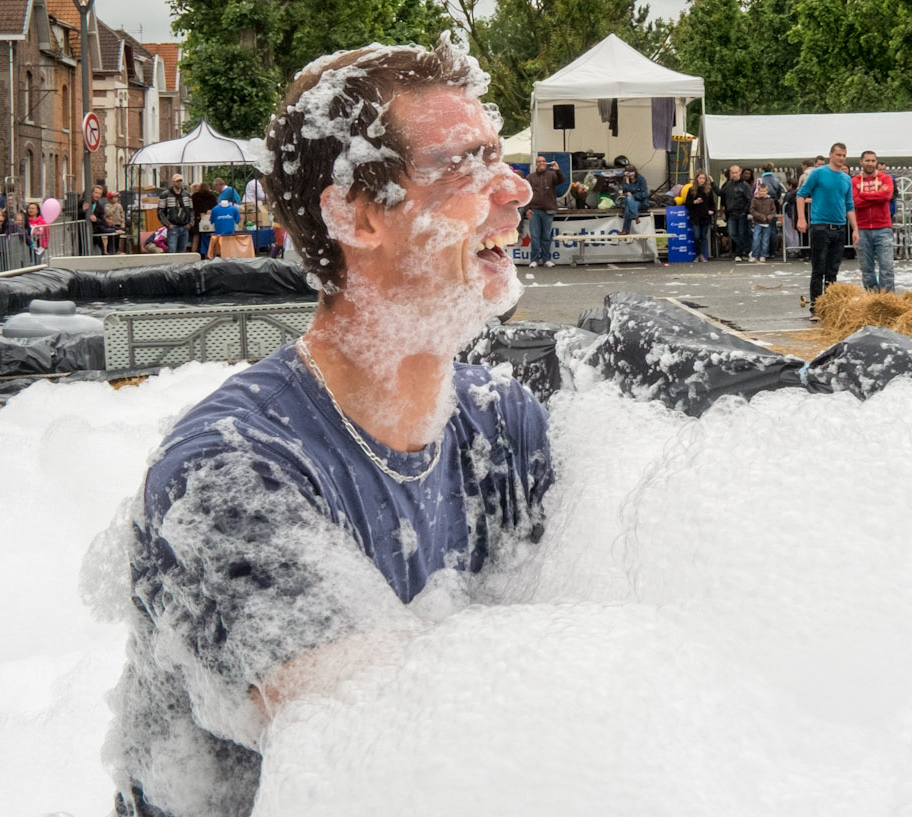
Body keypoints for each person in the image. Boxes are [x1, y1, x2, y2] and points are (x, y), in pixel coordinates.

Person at [108, 37, 552, 817]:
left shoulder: (502, 424)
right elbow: (386, 768)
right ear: (354, 213)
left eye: (501, 158)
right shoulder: (232, 473)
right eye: (465, 165)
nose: (515, 188)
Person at [794, 142, 856, 310]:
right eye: (838, 155)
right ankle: (816, 305)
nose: (841, 158)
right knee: (818, 268)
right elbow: (801, 194)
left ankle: (829, 305)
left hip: (840, 227)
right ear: (831, 155)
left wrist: (855, 228)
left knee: (833, 269)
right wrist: (801, 218)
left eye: (844, 155)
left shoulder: (846, 178)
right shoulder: (818, 173)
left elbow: (849, 205)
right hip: (820, 226)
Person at [852, 150, 896, 293]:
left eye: (872, 160)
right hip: (862, 228)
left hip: (883, 227)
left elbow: (886, 196)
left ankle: (887, 299)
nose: (870, 163)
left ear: (876, 162)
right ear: (861, 162)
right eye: (867, 160)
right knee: (866, 269)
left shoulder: (886, 178)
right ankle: (872, 300)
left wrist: (863, 195)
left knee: (887, 267)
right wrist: (875, 197)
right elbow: (854, 202)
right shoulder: (854, 181)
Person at [524, 156, 562, 267]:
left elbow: (561, 180)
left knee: (546, 236)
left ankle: (546, 259)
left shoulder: (552, 175)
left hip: (548, 210)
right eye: (539, 161)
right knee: (535, 236)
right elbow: (526, 195)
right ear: (536, 164)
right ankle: (534, 260)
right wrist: (527, 209)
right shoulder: (530, 177)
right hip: (534, 210)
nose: (541, 163)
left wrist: (558, 170)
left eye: (543, 161)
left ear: (546, 163)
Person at [677, 171, 716, 262]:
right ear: (697, 179)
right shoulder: (691, 190)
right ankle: (697, 254)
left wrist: (712, 211)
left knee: (703, 236)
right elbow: (687, 203)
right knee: (697, 236)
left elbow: (712, 203)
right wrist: (695, 202)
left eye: (703, 178)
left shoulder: (708, 190)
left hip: (705, 216)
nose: (702, 180)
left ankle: (702, 254)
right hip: (695, 216)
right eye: (700, 178)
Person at [721, 165, 753, 260]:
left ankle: (739, 253)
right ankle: (747, 250)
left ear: (740, 172)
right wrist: (713, 184)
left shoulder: (745, 185)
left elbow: (750, 199)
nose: (734, 174)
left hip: (742, 213)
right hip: (731, 213)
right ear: (730, 173)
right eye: (732, 173)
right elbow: (721, 194)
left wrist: (745, 211)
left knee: (741, 233)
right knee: (732, 233)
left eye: (736, 172)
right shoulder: (728, 184)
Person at [159, 174, 194, 254]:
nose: (179, 183)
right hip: (173, 227)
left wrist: (190, 223)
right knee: (172, 251)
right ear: (173, 182)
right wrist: (168, 224)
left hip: (184, 226)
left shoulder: (186, 194)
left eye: (180, 181)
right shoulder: (165, 194)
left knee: (182, 251)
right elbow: (160, 212)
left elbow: (191, 210)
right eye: (177, 181)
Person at [748, 181, 778, 264]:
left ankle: (763, 255)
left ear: (767, 191)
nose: (762, 193)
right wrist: (761, 216)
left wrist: (769, 217)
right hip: (757, 222)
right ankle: (754, 255)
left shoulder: (770, 200)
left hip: (767, 223)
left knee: (765, 240)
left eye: (764, 191)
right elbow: (752, 210)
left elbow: (773, 211)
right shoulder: (754, 200)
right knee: (756, 239)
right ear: (758, 190)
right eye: (761, 191)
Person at [189, 180, 219, 255]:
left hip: (197, 218)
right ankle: (209, 254)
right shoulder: (211, 196)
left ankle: (194, 254)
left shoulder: (194, 196)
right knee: (209, 237)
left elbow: (191, 208)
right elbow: (215, 208)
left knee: (196, 237)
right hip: (208, 219)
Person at [616, 165, 648, 235]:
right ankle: (636, 217)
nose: (630, 175)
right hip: (631, 203)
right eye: (628, 173)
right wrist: (627, 182)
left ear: (635, 172)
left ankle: (625, 229)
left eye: (631, 173)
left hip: (641, 202)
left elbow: (644, 194)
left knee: (629, 200)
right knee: (629, 201)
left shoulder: (641, 179)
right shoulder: (626, 180)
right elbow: (625, 191)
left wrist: (633, 196)